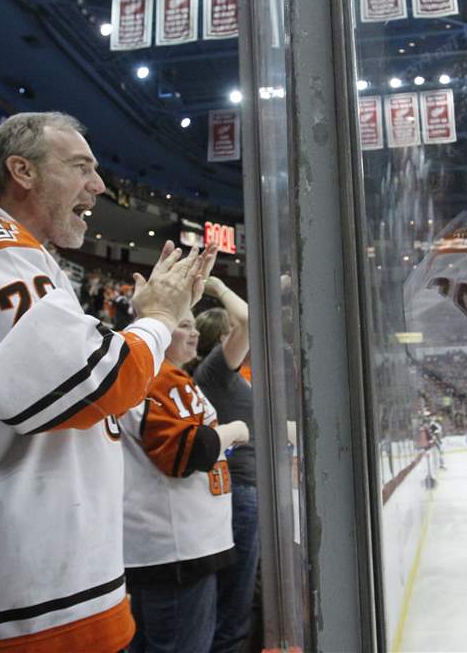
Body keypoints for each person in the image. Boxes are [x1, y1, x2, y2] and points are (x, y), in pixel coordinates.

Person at [0, 112, 216, 652]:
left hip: (51, 595)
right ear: (20, 170)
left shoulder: (28, 255)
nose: (98, 185)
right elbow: (103, 382)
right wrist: (159, 319)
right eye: (81, 167)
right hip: (9, 613)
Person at [120, 309, 250, 653]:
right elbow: (184, 451)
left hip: (174, 546)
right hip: (176, 550)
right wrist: (234, 431)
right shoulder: (156, 376)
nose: (194, 334)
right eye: (184, 325)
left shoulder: (168, 375)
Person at [191, 278, 258, 653]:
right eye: (231, 333)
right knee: (234, 605)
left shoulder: (223, 377)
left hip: (243, 492)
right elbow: (249, 319)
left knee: (238, 600)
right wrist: (216, 286)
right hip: (238, 493)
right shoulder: (213, 370)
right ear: (221, 339)